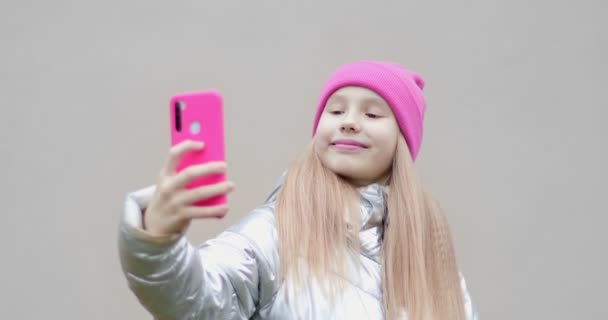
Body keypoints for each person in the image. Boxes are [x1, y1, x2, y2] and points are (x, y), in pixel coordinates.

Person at [118, 60, 479, 319]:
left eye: (372, 114)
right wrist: (157, 241)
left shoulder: (432, 260)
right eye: (335, 111)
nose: (350, 122)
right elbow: (193, 300)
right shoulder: (277, 231)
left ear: (403, 142)